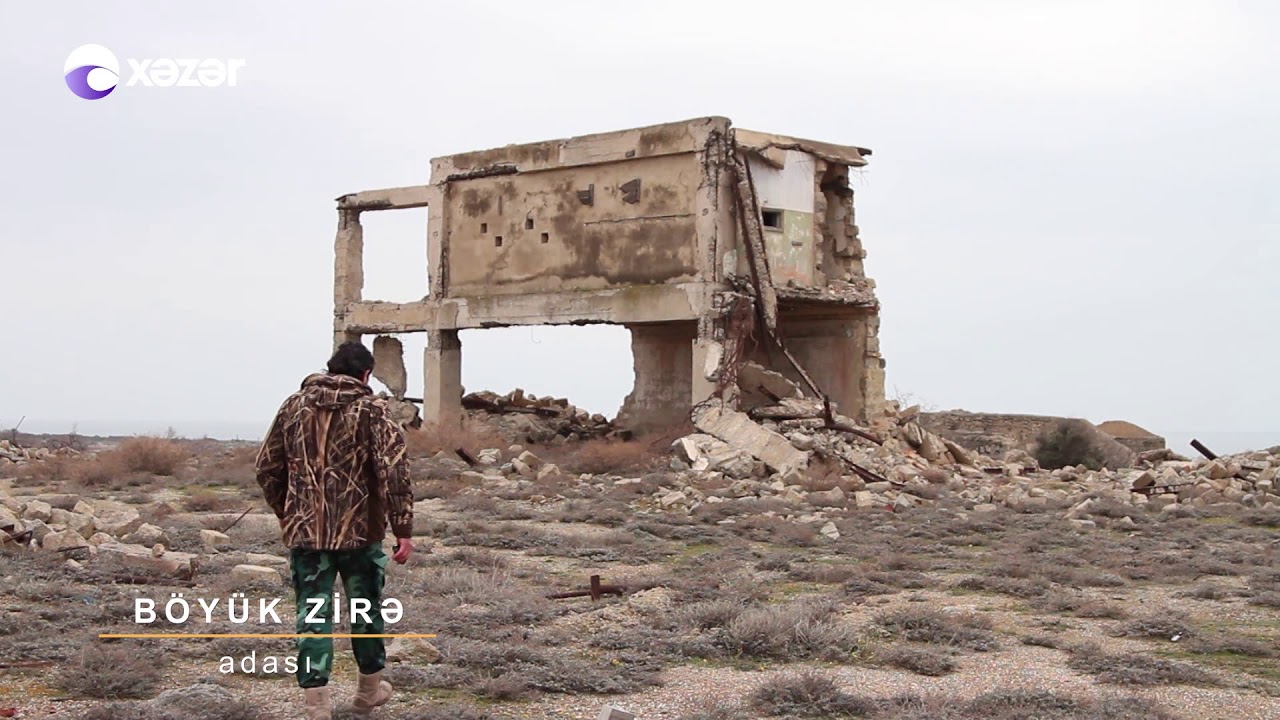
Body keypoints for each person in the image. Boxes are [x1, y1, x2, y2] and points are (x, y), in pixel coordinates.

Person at [255, 341, 414, 720]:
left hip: (307, 535)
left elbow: (266, 467)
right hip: (361, 534)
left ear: (329, 369)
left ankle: (317, 709)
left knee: (312, 616)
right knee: (366, 611)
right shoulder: (373, 410)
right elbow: (395, 472)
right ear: (366, 374)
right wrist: (403, 527)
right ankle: (367, 695)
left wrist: (288, 512)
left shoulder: (293, 407)